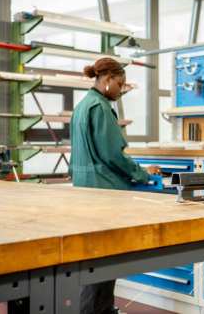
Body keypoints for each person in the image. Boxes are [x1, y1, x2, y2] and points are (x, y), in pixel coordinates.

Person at [70, 57, 159, 314]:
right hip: (105, 195)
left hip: (86, 191)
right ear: (107, 80)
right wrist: (143, 175)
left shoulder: (82, 106)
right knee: (103, 260)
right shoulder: (99, 107)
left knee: (93, 259)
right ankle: (96, 310)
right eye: (119, 84)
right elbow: (112, 155)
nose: (121, 91)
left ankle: (102, 309)